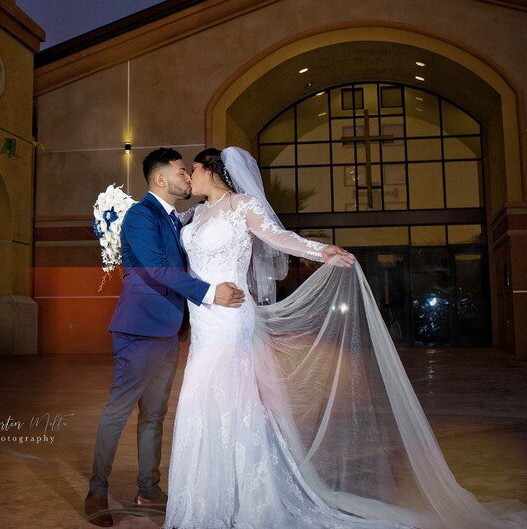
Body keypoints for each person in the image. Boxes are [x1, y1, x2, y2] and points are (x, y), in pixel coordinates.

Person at [164, 146, 527, 529]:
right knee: (199, 399)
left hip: (233, 317)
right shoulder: (194, 214)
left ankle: (248, 501)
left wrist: (323, 251)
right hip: (204, 318)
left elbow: (281, 239)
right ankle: (205, 501)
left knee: (232, 400)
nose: (190, 177)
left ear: (212, 170)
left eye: (194, 170)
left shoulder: (242, 206)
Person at [84, 147, 247, 527]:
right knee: (119, 411)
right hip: (139, 329)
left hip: (170, 330)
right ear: (161, 179)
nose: (188, 176)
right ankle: (96, 489)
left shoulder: (177, 219)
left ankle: (149, 490)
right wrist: (209, 292)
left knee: (155, 415)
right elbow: (157, 269)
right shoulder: (141, 216)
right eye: (181, 171)